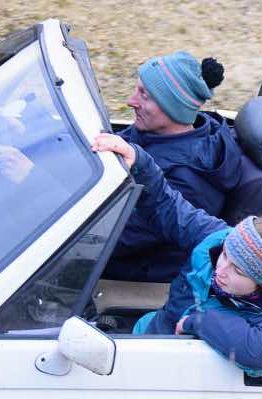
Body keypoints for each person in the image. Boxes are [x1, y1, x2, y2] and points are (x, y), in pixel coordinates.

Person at [91, 133, 262, 373]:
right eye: (225, 255)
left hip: (174, 369)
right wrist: (139, 161)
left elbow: (258, 352)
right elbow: (168, 206)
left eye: (238, 270)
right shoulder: (218, 239)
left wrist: (198, 321)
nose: (221, 270)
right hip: (150, 333)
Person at [103, 51, 244, 282]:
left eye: (144, 95)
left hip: (133, 272)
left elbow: (111, 238)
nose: (130, 101)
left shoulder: (189, 180)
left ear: (174, 108)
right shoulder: (155, 132)